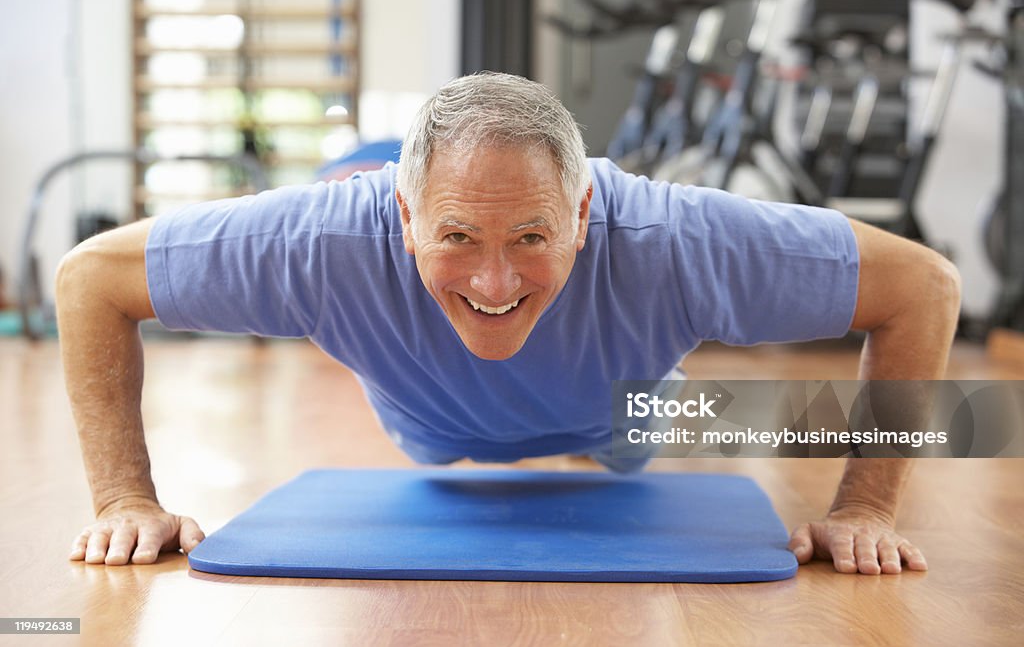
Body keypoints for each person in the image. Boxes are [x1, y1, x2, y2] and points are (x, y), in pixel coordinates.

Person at [57, 72, 959, 574]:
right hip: (433, 427)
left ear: (584, 208)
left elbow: (922, 285)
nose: (495, 277)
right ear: (404, 216)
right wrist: (124, 500)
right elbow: (91, 278)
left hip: (626, 410)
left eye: (532, 233)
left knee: (678, 422)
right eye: (455, 234)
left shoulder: (677, 239)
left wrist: (865, 506)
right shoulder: (319, 241)